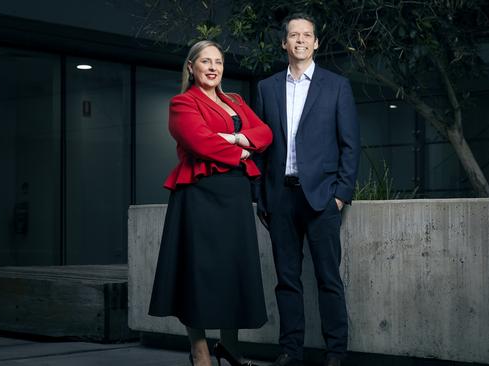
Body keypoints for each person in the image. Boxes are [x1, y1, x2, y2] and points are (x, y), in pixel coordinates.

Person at [148, 40, 273, 366]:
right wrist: (243, 149)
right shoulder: (182, 103)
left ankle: (229, 347)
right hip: (199, 194)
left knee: (233, 270)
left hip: (233, 194)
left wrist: (234, 138)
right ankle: (200, 350)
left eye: (218, 61)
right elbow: (200, 143)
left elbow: (265, 133)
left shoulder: (235, 100)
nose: (214, 67)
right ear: (191, 67)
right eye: (205, 61)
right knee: (199, 273)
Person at [255, 13, 360, 366]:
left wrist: (341, 194)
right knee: (286, 280)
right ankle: (290, 351)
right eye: (293, 35)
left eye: (307, 35)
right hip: (280, 196)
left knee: (328, 278)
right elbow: (259, 147)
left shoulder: (336, 86)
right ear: (284, 43)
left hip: (321, 198)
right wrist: (261, 195)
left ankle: (336, 353)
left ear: (316, 43)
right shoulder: (266, 88)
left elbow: (350, 145)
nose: (300, 40)